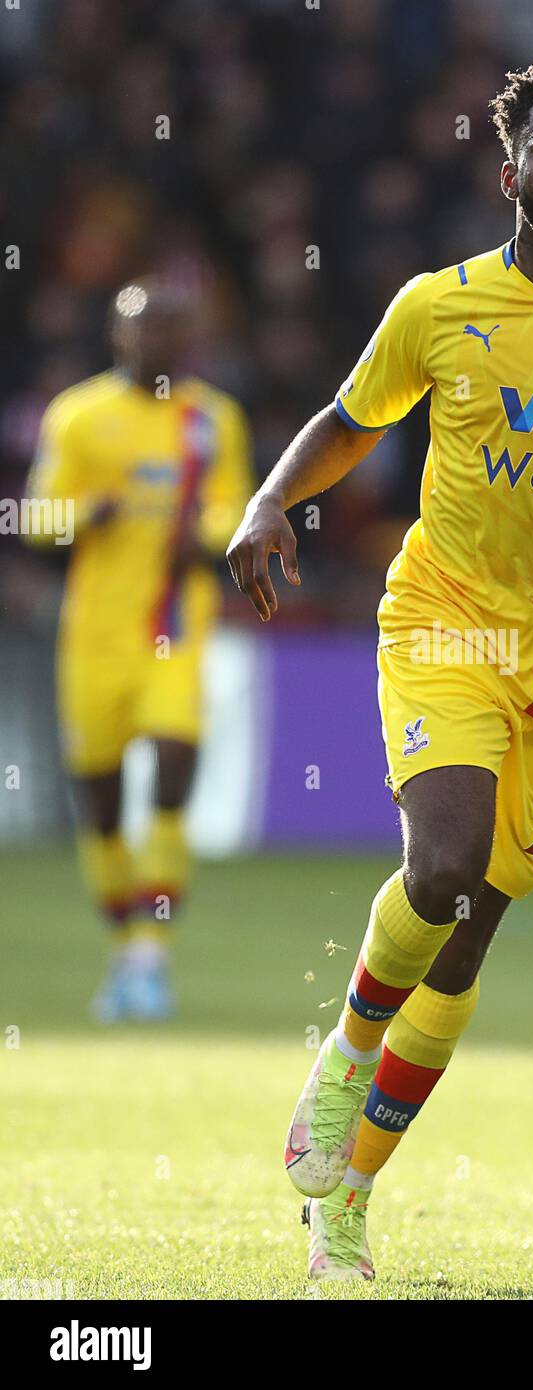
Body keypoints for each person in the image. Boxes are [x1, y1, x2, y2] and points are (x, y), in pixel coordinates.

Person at [227, 52, 533, 1281]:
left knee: (462, 945)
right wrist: (269, 503)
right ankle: (343, 1059)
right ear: (511, 172)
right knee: (439, 869)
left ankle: (343, 1198)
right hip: (444, 621)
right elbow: (350, 421)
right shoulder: (435, 307)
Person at [26, 279, 252, 1021]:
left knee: (175, 760)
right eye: (144, 328)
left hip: (174, 629)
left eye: (173, 330)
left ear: (191, 342)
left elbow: (236, 509)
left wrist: (211, 536)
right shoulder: (80, 415)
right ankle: (128, 949)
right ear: (118, 336)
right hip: (93, 637)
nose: (158, 342)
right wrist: (92, 511)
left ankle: (152, 956)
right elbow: (35, 519)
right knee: (97, 803)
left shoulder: (213, 421)